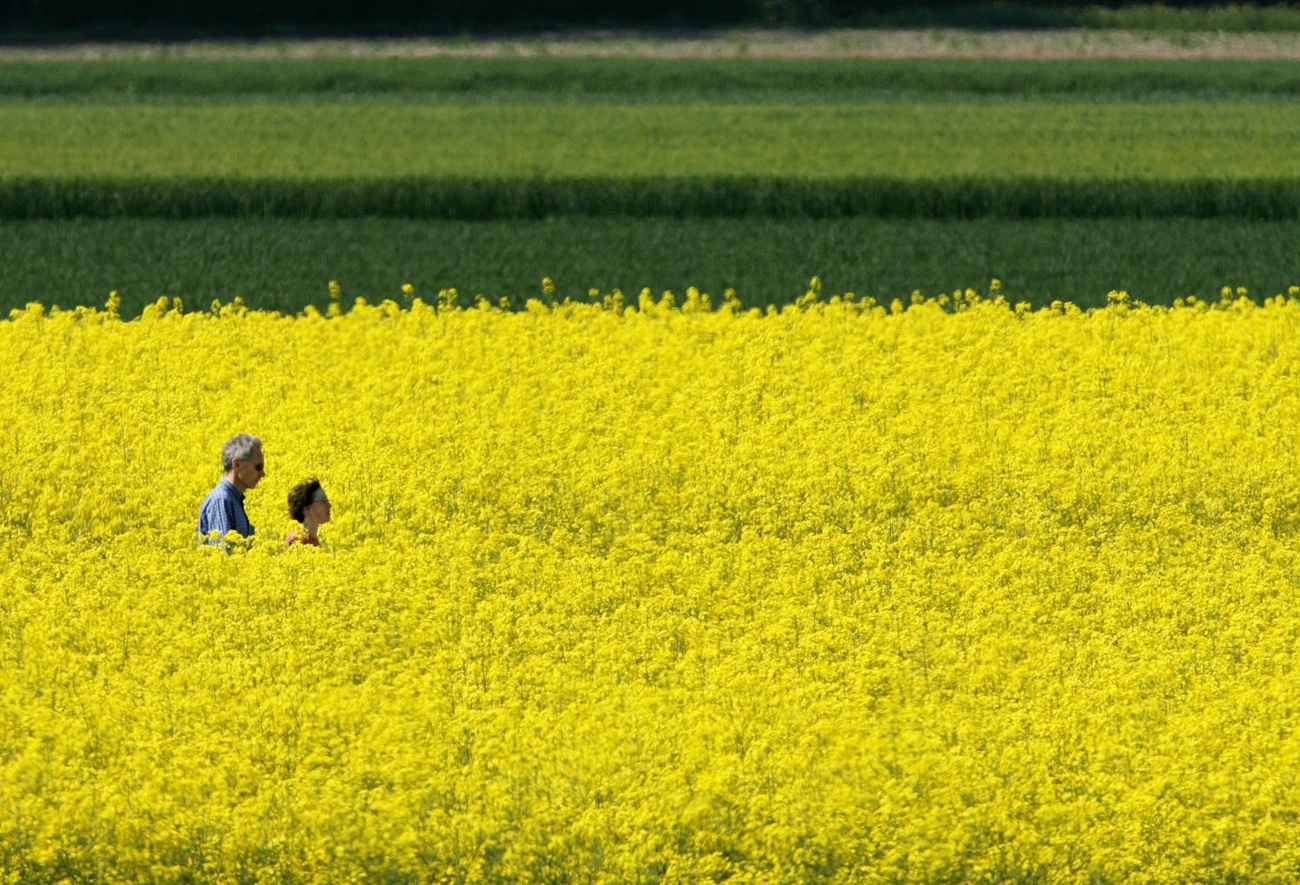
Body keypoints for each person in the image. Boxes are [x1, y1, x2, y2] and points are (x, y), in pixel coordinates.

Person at [197, 433, 264, 545]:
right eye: (258, 467)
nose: (262, 474)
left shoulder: (232, 500)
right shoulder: (221, 501)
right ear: (237, 464)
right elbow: (223, 555)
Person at [286, 478, 331, 547]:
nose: (329, 505)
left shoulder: (311, 538)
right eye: (323, 500)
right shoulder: (298, 541)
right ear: (307, 509)